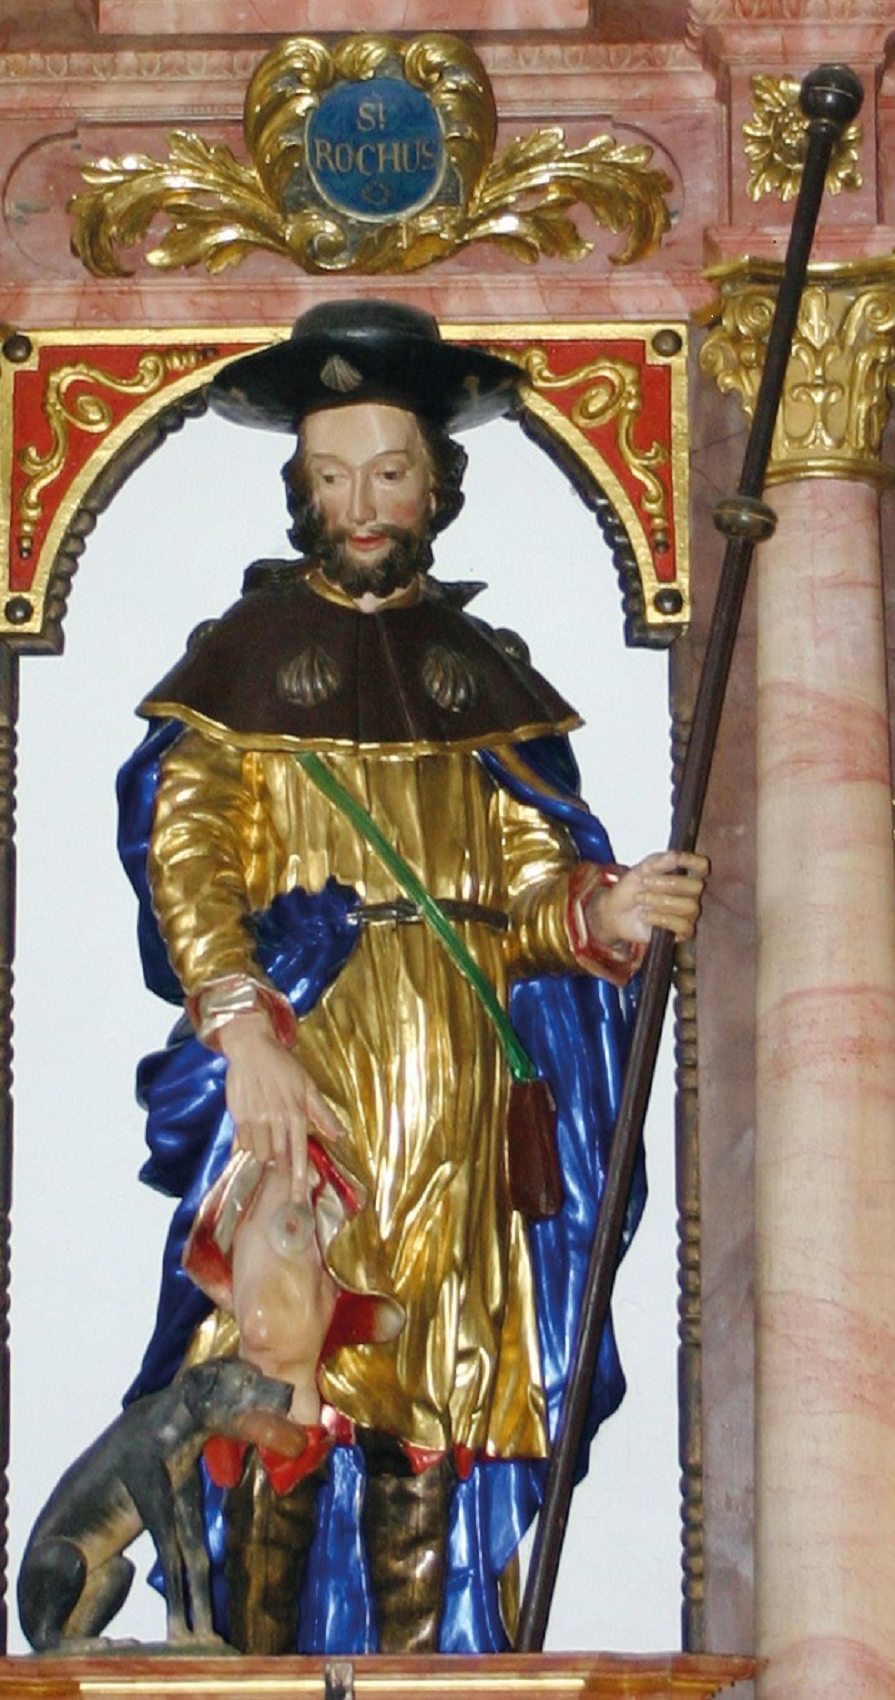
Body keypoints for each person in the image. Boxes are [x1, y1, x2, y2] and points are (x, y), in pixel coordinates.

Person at [118, 299, 707, 1656]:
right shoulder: (236, 665)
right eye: (331, 478)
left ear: (435, 487)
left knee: (439, 1381)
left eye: (389, 473)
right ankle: (253, 1669)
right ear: (299, 492)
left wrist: (603, 907)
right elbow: (187, 860)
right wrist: (242, 1030)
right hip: (306, 1068)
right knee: (275, 1366)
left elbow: (525, 885)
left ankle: (425, 1668)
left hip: (456, 1083)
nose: (361, 505)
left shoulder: (480, 674)